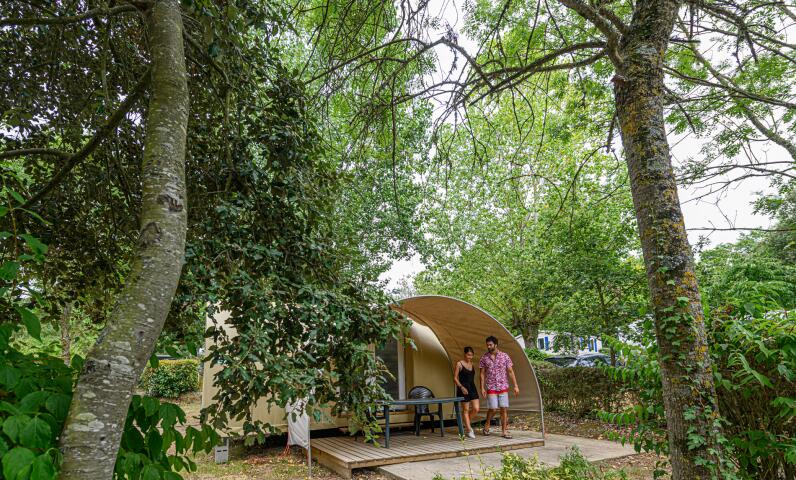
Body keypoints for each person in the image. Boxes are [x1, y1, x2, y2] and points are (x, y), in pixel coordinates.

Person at [479, 335, 519, 438]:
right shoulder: (484, 357)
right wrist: (482, 387)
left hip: (503, 386)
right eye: (487, 345)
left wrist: (515, 385)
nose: (488, 346)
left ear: (496, 345)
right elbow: (482, 374)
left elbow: (510, 371)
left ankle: (504, 431)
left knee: (503, 409)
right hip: (491, 386)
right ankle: (487, 424)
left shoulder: (505, 356)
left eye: (490, 345)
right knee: (493, 408)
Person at [454, 346, 480, 438]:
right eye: (468, 355)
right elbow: (455, 378)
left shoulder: (472, 364)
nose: (470, 357)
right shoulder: (459, 364)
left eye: (471, 355)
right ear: (464, 354)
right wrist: (461, 387)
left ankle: (465, 422)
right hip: (463, 389)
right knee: (465, 410)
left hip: (472, 388)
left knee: (476, 408)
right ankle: (469, 430)